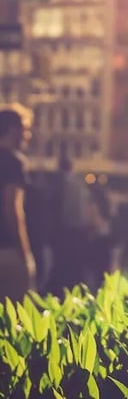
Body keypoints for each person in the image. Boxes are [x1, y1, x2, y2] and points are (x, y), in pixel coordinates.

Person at [0, 104, 36, 302]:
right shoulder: (14, 162)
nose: (27, 136)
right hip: (6, 251)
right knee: (15, 319)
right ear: (13, 130)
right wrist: (25, 254)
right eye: (25, 129)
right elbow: (12, 209)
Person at [47, 156, 96, 293]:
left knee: (61, 265)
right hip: (79, 231)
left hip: (63, 231)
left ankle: (60, 292)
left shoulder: (56, 183)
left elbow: (55, 208)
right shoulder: (80, 184)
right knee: (77, 266)